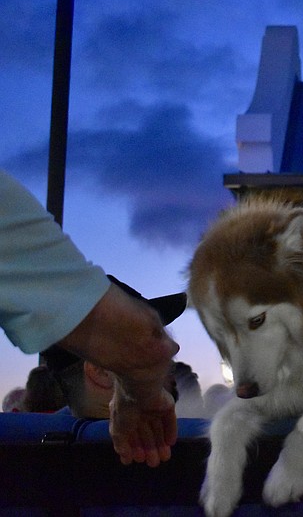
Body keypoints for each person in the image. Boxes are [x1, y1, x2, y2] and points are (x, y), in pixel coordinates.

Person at [0, 170, 180, 466]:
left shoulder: (21, 461)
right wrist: (138, 393)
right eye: (158, 331)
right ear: (98, 370)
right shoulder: (184, 463)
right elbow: (147, 349)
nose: (174, 349)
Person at [43, 278, 187, 420]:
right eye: (153, 336)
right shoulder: (192, 440)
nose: (174, 347)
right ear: (101, 371)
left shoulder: (34, 440)